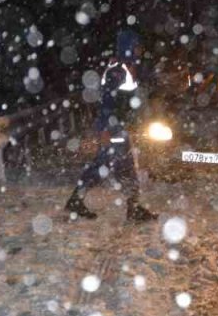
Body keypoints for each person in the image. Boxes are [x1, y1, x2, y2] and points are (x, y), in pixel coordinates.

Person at [65, 29, 159, 222]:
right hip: (113, 128)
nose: (140, 49)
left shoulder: (127, 68)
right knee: (111, 167)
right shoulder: (116, 72)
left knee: (111, 167)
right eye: (137, 46)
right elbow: (106, 102)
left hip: (119, 127)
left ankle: (131, 208)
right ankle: (131, 209)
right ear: (129, 48)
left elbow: (142, 87)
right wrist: (104, 130)